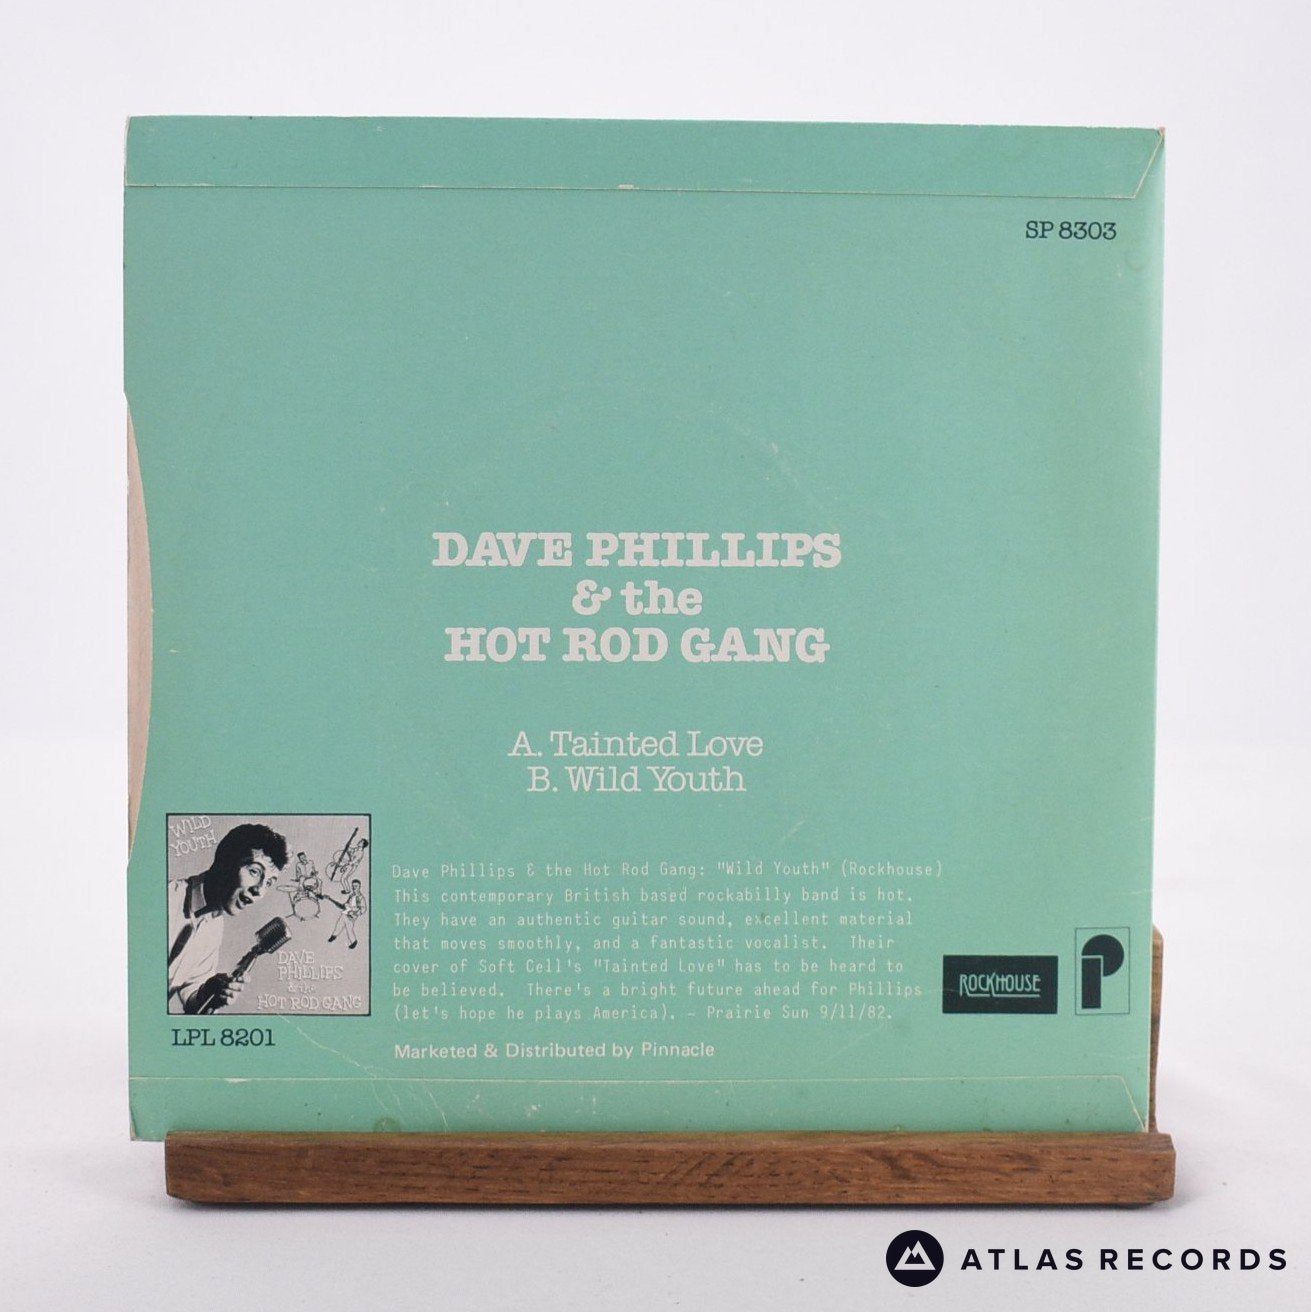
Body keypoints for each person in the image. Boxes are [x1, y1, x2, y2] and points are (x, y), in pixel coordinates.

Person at [167, 822, 289, 1014]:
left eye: (269, 883)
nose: (259, 890)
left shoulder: (214, 928)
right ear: (225, 862)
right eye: (254, 871)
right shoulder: (166, 898)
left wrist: (209, 994)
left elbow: (192, 1000)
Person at [327, 878, 368, 950]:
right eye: (353, 886)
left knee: (349, 928)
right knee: (339, 924)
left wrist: (354, 913)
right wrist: (331, 900)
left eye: (356, 886)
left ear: (359, 887)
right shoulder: (351, 895)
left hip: (351, 915)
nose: (354, 887)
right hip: (346, 912)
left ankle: (354, 941)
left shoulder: (361, 897)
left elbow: (363, 909)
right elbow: (346, 904)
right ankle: (334, 936)